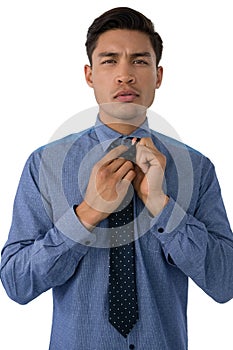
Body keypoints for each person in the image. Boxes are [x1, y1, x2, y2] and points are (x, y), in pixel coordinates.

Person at [1, 6, 233, 350]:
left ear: (158, 75)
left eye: (139, 61)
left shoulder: (196, 169)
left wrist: (161, 205)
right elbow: (17, 283)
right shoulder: (45, 164)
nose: (125, 75)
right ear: (89, 74)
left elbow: (224, 281)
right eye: (110, 61)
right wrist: (89, 213)